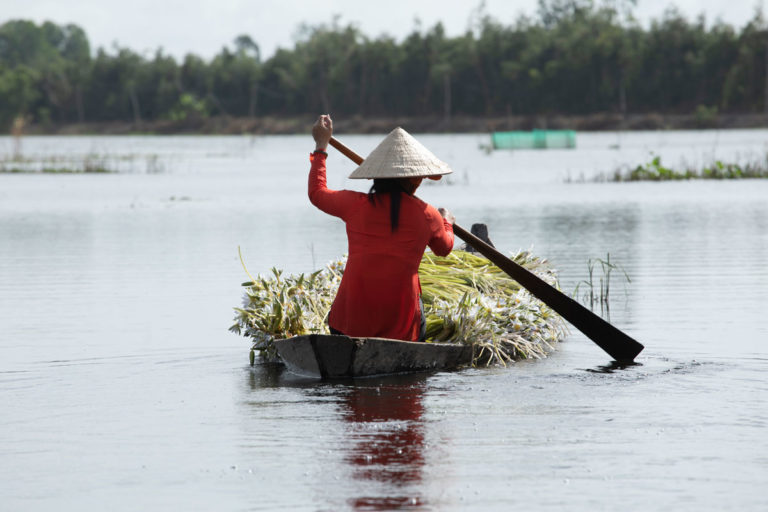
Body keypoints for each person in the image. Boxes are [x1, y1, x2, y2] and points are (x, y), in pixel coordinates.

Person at [309, 114, 455, 342]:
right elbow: (444, 248)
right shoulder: (428, 214)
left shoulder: (355, 205)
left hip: (348, 321)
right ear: (415, 180)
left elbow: (317, 193)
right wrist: (447, 222)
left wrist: (321, 147)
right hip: (402, 327)